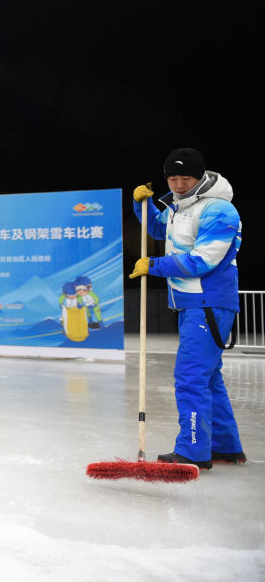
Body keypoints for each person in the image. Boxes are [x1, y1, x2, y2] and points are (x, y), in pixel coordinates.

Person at [130, 148, 246, 469]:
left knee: (191, 377)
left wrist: (153, 265)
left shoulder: (219, 210)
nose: (179, 184)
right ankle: (225, 446)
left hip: (208, 302)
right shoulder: (179, 209)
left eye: (186, 178)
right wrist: (143, 205)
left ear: (200, 177)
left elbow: (204, 260)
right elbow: (156, 230)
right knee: (208, 379)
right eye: (173, 178)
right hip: (191, 305)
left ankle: (193, 450)